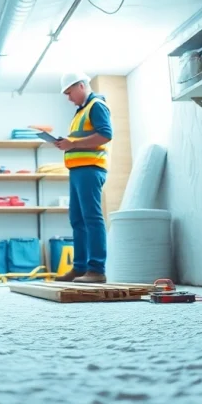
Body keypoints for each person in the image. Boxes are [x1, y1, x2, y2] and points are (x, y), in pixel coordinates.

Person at [53, 72, 113, 283]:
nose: (69, 98)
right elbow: (82, 138)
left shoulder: (96, 105)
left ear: (81, 86)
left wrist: (72, 144)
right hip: (78, 170)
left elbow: (105, 134)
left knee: (92, 218)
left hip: (91, 169)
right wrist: (66, 143)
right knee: (77, 220)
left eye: (69, 93)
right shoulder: (81, 111)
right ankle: (80, 268)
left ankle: (97, 270)